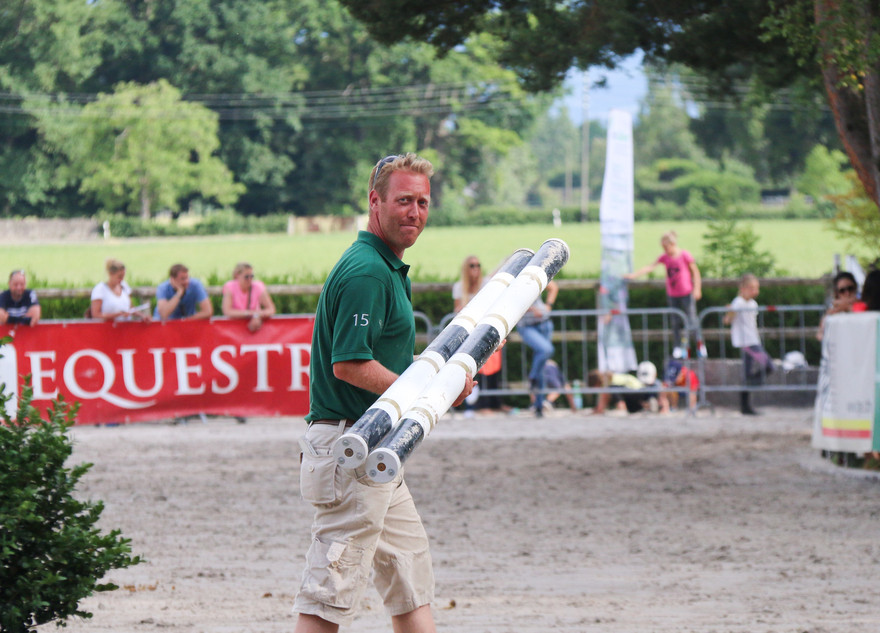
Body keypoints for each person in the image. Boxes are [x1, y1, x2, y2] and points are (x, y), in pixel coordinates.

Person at [293, 153, 474, 633]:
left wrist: (441, 384)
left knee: (410, 582)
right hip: (351, 449)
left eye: (423, 202)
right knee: (328, 595)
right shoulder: (368, 272)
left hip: (376, 449)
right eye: (404, 201)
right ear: (375, 202)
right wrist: (427, 394)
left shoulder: (380, 265)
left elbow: (381, 363)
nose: (415, 212)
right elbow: (350, 364)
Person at [625, 230, 701, 353]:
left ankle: (699, 345)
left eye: (666, 247)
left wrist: (697, 288)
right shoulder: (665, 257)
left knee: (692, 320)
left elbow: (695, 272)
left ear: (672, 244)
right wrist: (634, 275)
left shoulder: (684, 255)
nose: (664, 250)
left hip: (686, 293)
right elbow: (650, 267)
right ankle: (678, 347)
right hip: (673, 295)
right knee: (675, 322)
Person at [723, 273, 771, 415]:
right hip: (747, 342)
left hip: (753, 340)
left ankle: (746, 400)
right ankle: (748, 392)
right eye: (751, 288)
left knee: (749, 373)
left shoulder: (753, 304)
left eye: (756, 288)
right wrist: (730, 312)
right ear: (743, 288)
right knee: (768, 366)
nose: (755, 291)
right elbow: (728, 320)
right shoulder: (738, 302)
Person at [518, 279, 558, 417]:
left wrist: (548, 306)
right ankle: (533, 377)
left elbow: (553, 287)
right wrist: (532, 309)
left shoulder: (534, 275)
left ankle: (539, 406)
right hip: (527, 325)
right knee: (546, 350)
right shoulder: (515, 278)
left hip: (544, 323)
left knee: (541, 365)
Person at [221, 262, 276, 332]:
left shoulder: (258, 287)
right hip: (234, 329)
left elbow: (271, 309)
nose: (249, 279)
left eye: (251, 276)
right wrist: (251, 314)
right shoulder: (230, 287)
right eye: (246, 277)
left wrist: (257, 316)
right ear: (237, 275)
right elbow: (227, 311)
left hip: (255, 328)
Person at [587, 369, 658, 415]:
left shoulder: (606, 383)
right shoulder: (608, 378)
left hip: (638, 391)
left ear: (595, 384)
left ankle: (621, 408)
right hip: (639, 391)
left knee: (613, 389)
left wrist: (597, 410)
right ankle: (647, 404)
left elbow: (602, 404)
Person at [816, 271, 858, 341]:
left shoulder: (862, 305)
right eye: (842, 290)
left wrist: (846, 307)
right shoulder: (832, 311)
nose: (847, 293)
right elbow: (820, 336)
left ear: (855, 288)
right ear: (837, 293)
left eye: (850, 288)